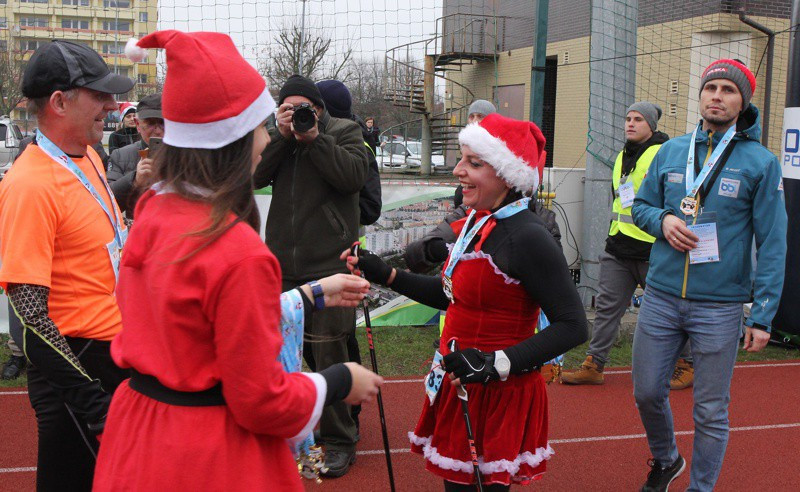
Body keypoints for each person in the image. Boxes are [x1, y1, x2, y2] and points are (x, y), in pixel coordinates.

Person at [93, 30, 383, 491]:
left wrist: (311, 293)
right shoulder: (238, 251)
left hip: (141, 435)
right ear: (233, 139)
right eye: (261, 126)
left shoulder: (152, 210)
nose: (268, 139)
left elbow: (201, 321)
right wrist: (335, 380)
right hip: (209, 453)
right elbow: (261, 401)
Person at [344, 113, 587, 489]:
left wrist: (494, 363)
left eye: (475, 163)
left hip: (498, 393)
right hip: (461, 382)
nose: (458, 170)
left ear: (508, 175)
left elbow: (573, 325)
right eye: (461, 158)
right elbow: (455, 298)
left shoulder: (528, 236)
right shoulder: (477, 221)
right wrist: (387, 275)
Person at [631, 59, 787, 491]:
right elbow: (639, 206)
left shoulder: (760, 162)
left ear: (743, 102)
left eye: (728, 90)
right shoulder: (670, 151)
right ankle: (666, 460)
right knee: (645, 392)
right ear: (700, 96)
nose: (717, 96)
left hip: (719, 306)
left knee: (711, 409)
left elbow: (773, 241)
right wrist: (662, 220)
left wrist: (763, 314)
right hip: (661, 295)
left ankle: (701, 488)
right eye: (711, 87)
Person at [0, 40, 134, 491]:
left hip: (111, 357)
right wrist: (92, 403)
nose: (111, 105)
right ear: (59, 101)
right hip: (76, 368)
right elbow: (30, 317)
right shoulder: (30, 185)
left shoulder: (90, 156)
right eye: (99, 95)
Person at [253, 74, 370, 477]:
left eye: (307, 107)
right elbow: (252, 177)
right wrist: (283, 135)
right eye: (291, 107)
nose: (301, 114)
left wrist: (315, 138)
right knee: (286, 354)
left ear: (319, 107)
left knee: (329, 351)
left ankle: (339, 439)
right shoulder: (277, 139)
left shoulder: (345, 131)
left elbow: (353, 177)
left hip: (331, 264)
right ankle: (295, 427)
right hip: (282, 267)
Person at [561, 102, 694, 389]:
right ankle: (594, 365)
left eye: (638, 119)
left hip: (653, 249)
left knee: (671, 309)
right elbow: (620, 199)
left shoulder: (665, 154)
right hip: (618, 246)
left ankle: (686, 363)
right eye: (628, 118)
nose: (630, 123)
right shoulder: (622, 155)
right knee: (608, 307)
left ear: (652, 126)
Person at [316, 79, 383, 437]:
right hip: (311, 255)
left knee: (339, 338)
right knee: (322, 339)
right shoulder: (307, 140)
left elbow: (371, 208)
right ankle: (336, 403)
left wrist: (334, 200)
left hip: (342, 254)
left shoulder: (359, 146)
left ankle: (349, 408)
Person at [106, 93, 163, 217]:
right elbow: (107, 203)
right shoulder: (120, 155)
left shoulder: (184, 155)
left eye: (163, 123)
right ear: (138, 124)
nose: (158, 130)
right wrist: (135, 180)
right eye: (151, 123)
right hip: (137, 231)